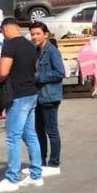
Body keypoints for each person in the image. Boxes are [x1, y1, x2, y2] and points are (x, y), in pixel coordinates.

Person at [0, 17, 42, 193]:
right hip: (31, 92)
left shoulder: (10, 45)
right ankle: (36, 174)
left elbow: (3, 72)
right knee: (30, 135)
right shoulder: (29, 45)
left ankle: (12, 178)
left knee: (13, 137)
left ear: (6, 30)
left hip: (18, 95)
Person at [28, 22, 65, 178]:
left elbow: (60, 72)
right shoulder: (36, 51)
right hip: (38, 97)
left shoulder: (51, 51)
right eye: (33, 34)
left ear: (45, 35)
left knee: (52, 131)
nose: (35, 37)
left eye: (38, 34)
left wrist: (38, 77)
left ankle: (54, 163)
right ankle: (41, 162)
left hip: (50, 96)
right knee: (39, 131)